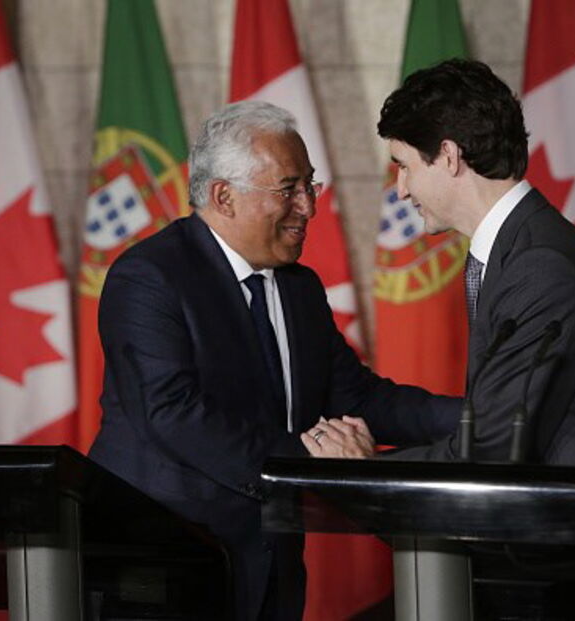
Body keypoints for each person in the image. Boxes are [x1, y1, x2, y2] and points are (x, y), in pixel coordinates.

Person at [88, 101, 460, 621]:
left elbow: (356, 397)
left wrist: (477, 417)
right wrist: (309, 466)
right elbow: (172, 413)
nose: (308, 207)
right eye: (289, 189)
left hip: (272, 561)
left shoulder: (299, 287)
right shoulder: (150, 277)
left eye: (310, 185)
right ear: (224, 196)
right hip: (166, 564)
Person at [305, 59, 575, 468]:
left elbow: (493, 446)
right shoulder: (520, 247)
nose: (401, 190)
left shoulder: (540, 267)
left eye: (404, 166)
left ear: (448, 156)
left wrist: (363, 469)